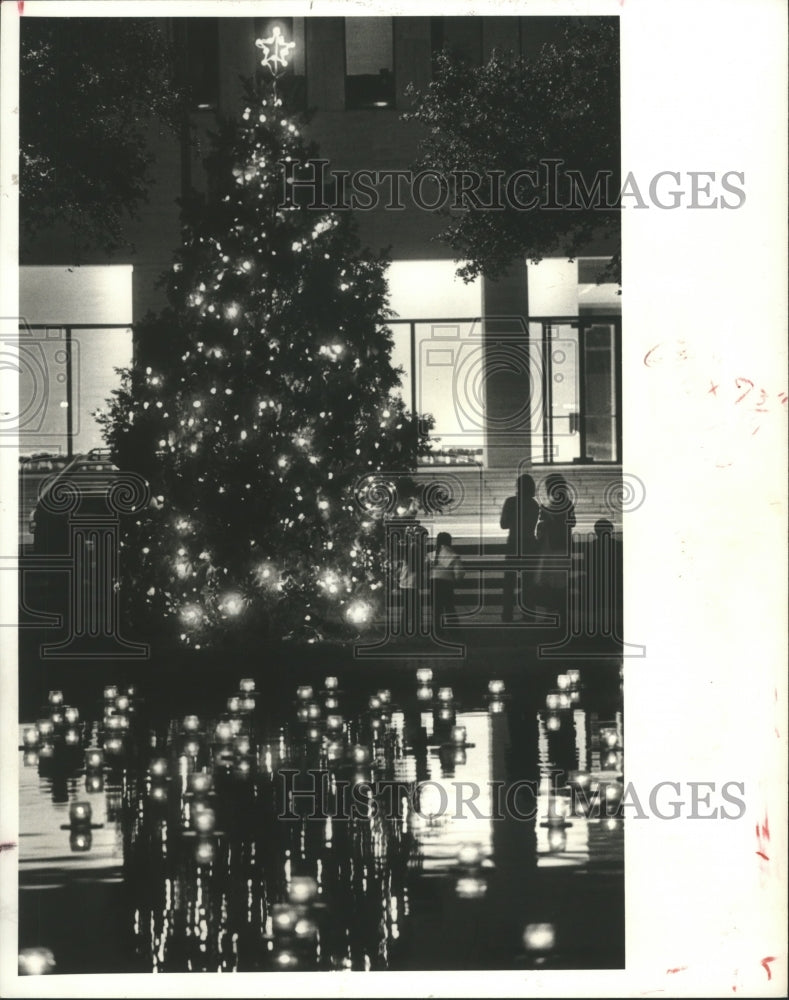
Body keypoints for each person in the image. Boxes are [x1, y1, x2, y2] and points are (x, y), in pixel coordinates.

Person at [499, 473, 540, 622]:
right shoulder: (534, 504)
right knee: (528, 581)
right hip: (529, 544)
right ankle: (529, 613)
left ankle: (507, 613)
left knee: (509, 581)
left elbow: (503, 524)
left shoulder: (510, 502)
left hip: (514, 543)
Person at [534, 473, 577, 612]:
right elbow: (572, 523)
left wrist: (550, 518)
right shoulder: (567, 504)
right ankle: (561, 610)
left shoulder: (551, 506)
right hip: (562, 544)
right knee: (559, 579)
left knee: (553, 578)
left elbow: (546, 524)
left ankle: (553, 611)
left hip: (553, 546)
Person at [427, 531, 464, 634]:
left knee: (436, 609)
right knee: (449, 607)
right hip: (447, 584)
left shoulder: (431, 555)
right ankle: (454, 630)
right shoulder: (453, 556)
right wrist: (457, 581)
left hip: (434, 583)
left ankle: (437, 631)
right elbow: (459, 573)